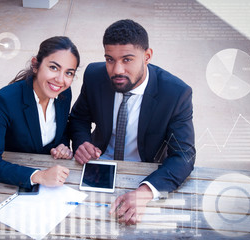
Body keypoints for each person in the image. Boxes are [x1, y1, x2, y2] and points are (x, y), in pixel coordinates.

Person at [69, 19, 195, 225]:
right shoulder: (94, 76)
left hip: (146, 172)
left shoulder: (176, 93)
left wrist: (145, 192)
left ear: (147, 56)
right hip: (98, 164)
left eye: (127, 60)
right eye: (110, 59)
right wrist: (82, 142)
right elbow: (79, 118)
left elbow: (184, 155)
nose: (117, 70)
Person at [0, 36, 80, 189]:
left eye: (69, 73)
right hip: (14, 180)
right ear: (35, 65)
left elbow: (62, 128)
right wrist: (38, 176)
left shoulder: (64, 93)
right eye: (53, 68)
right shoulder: (3, 101)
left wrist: (62, 145)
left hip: (54, 177)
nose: (60, 79)